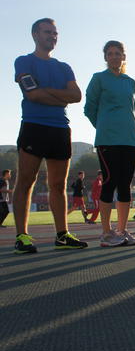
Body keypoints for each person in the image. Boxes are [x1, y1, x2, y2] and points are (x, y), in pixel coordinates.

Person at [12, 18, 88, 253]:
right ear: (35, 34)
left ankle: (62, 235)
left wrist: (46, 91)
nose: (53, 36)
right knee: (26, 182)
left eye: (55, 33)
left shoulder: (63, 67)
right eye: (47, 32)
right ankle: (22, 237)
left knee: (58, 184)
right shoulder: (24, 61)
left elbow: (76, 96)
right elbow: (32, 95)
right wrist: (60, 96)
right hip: (34, 126)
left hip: (60, 129)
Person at [84, 40, 135, 246]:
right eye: (110, 53)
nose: (115, 56)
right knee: (110, 182)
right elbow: (89, 108)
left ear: (124, 56)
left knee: (125, 184)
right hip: (108, 139)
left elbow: (133, 109)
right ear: (105, 57)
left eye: (118, 53)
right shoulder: (99, 79)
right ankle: (106, 233)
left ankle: (122, 229)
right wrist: (103, 126)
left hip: (130, 138)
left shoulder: (130, 81)